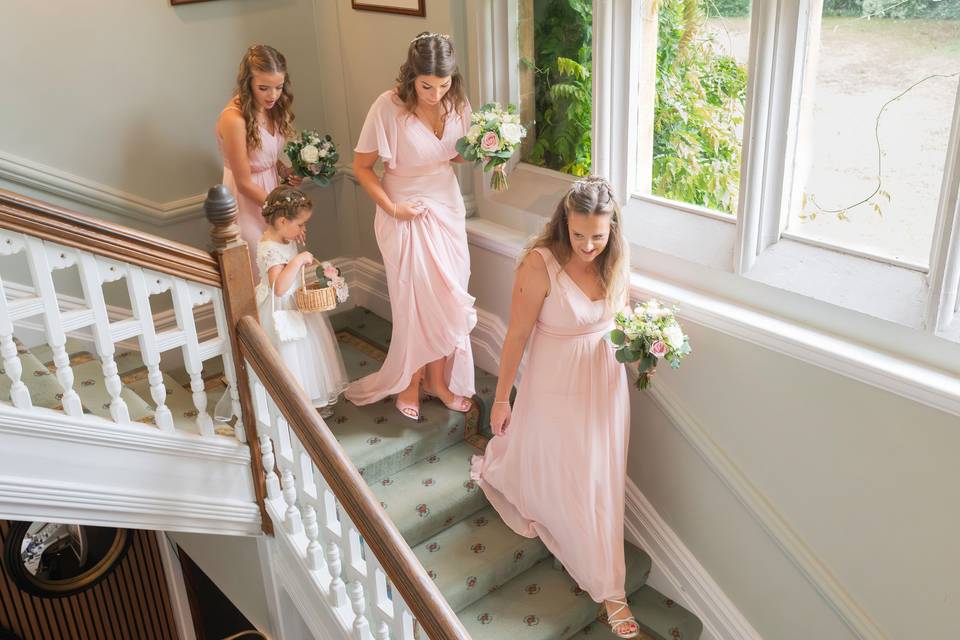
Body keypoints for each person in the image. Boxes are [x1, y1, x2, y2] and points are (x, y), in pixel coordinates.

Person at [469, 177, 642, 638]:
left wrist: (647, 340)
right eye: (580, 233)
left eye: (598, 236)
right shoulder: (538, 264)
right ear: (565, 222)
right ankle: (611, 590)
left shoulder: (616, 260)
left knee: (598, 472)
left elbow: (621, 319)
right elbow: (516, 336)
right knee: (565, 464)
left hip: (605, 381)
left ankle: (603, 571)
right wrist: (502, 397)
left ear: (613, 231)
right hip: (554, 380)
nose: (588, 245)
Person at [345, 32, 477, 421]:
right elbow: (362, 168)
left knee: (448, 297)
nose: (435, 94)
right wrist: (392, 208)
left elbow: (454, 156)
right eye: (426, 86)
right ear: (411, 77)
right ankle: (410, 382)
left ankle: (438, 380)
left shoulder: (457, 104)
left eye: (444, 84)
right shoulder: (387, 108)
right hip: (403, 209)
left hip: (447, 208)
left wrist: (488, 154)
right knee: (414, 300)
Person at [255, 186, 348, 417]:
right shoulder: (269, 249)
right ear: (282, 221)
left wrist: (295, 243)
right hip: (281, 311)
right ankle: (293, 405)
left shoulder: (285, 235)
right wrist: (296, 262)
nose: (303, 229)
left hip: (297, 302)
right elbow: (279, 288)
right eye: (300, 224)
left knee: (310, 353)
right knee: (291, 354)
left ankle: (310, 399)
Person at [216, 44, 301, 272]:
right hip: (248, 202)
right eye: (263, 88)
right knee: (263, 271)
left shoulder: (273, 106)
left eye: (279, 87)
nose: (273, 95)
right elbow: (244, 183)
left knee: (285, 271)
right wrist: (284, 214)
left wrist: (283, 171)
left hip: (271, 194)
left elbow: (264, 156)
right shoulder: (234, 119)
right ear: (248, 84)